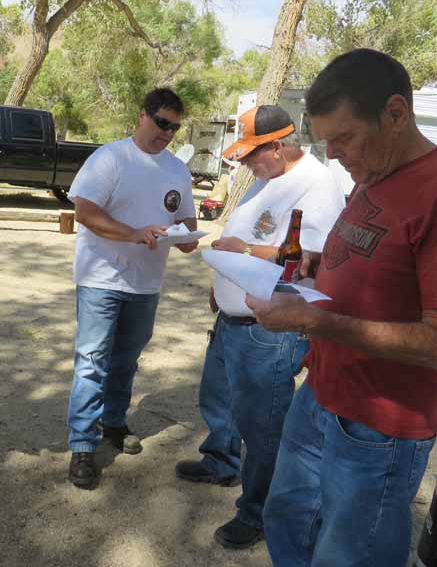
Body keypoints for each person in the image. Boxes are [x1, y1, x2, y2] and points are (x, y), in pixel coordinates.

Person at [245, 49, 437, 565]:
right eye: (326, 140)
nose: (333, 154)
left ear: (395, 113)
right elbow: (374, 258)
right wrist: (319, 263)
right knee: (286, 520)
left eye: (344, 137)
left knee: (349, 555)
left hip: (378, 426)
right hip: (321, 393)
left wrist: (316, 320)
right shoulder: (372, 173)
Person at [175, 105, 345, 549]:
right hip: (233, 316)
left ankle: (258, 512)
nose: (247, 163)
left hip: (267, 328)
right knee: (218, 397)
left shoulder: (317, 184)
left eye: (252, 154)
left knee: (264, 428)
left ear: (278, 146)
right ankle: (221, 460)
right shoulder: (267, 176)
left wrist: (243, 251)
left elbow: (309, 260)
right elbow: (249, 234)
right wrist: (221, 283)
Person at [66, 88, 199, 489]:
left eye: (174, 128)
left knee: (126, 360)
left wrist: (185, 237)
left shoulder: (178, 170)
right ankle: (82, 444)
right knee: (92, 361)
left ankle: (114, 423)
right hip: (101, 279)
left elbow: (187, 221)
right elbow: (84, 212)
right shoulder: (110, 158)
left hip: (146, 283)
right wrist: (133, 233)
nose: (167, 133)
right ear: (142, 116)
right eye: (162, 123)